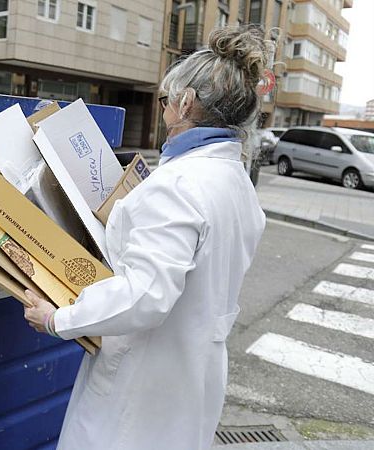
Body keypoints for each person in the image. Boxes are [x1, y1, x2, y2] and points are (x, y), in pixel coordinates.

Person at [23, 26, 273, 450]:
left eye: (163, 101)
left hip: (141, 386)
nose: (162, 112)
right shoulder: (234, 182)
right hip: (192, 374)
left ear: (185, 103)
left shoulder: (179, 184)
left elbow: (146, 295)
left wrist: (57, 319)